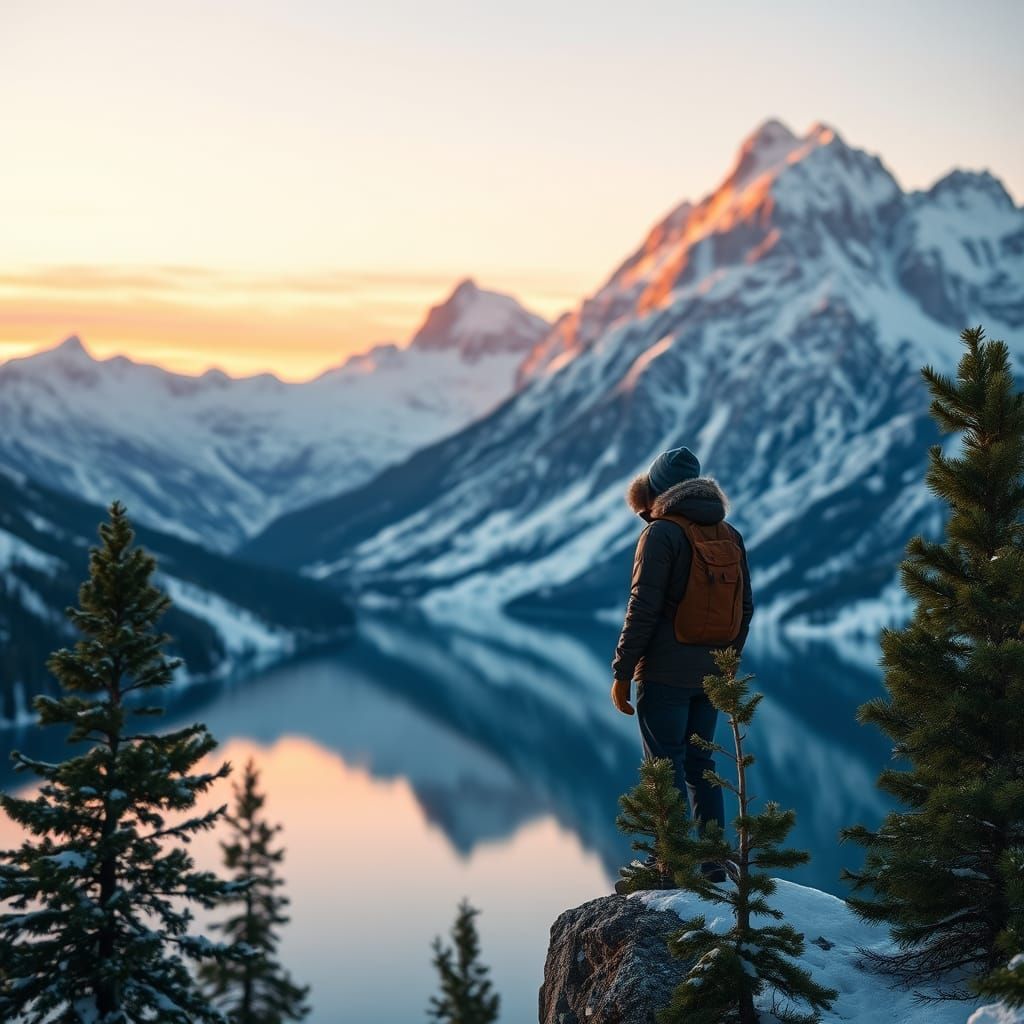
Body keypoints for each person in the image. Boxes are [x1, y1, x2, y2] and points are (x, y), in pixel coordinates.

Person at [611, 446, 754, 888]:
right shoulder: (729, 534)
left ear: (655, 491)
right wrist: (727, 663)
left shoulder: (661, 534)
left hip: (664, 673)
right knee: (701, 766)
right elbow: (744, 609)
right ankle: (714, 864)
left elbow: (643, 607)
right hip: (711, 673)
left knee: (664, 767)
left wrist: (621, 670)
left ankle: (669, 866)